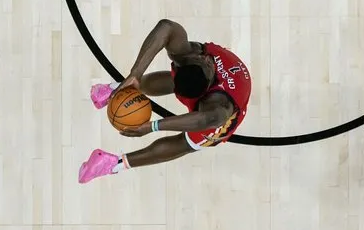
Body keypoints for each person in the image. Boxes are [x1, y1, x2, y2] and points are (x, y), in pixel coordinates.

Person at [78, 19, 252, 184]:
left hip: (219, 111)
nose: (207, 58)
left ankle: (113, 164)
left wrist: (154, 126)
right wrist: (136, 73)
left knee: (185, 143)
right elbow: (166, 27)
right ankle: (115, 89)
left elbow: (202, 120)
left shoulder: (219, 107)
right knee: (178, 79)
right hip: (196, 80)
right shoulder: (190, 54)